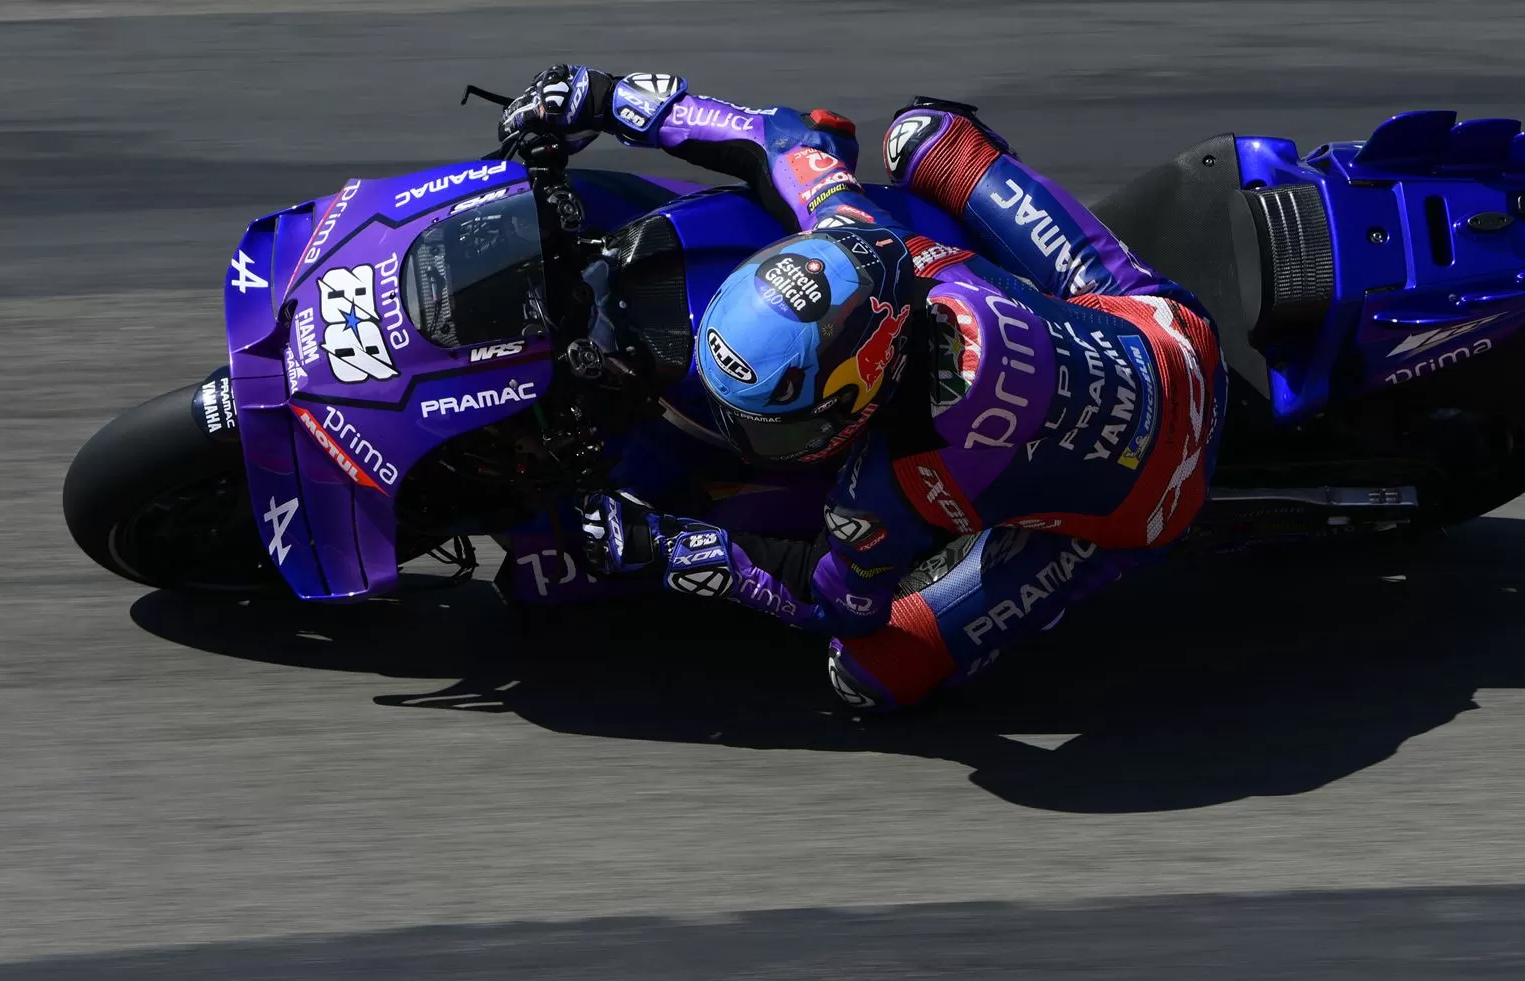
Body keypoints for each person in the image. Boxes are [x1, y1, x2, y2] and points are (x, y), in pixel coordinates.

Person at [502, 65, 1226, 710]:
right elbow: (786, 139)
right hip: (1164, 328)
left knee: (869, 674)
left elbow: (832, 602)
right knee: (923, 135)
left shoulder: (889, 486)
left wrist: (667, 548)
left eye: (774, 424)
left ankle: (1004, 550)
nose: (749, 436)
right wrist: (610, 98)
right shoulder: (875, 246)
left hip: (1154, 506)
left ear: (858, 394)